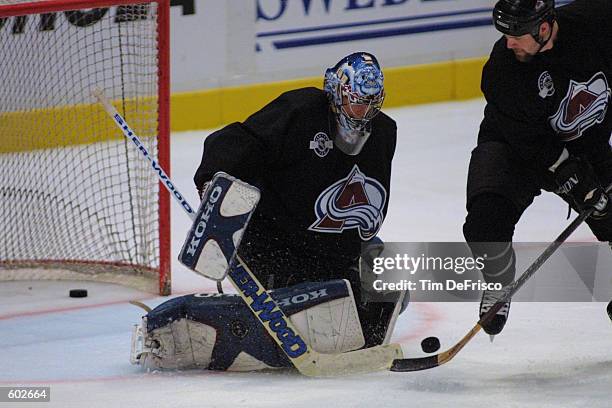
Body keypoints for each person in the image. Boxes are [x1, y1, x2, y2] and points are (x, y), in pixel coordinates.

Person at [130, 52, 407, 372]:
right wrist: (212, 184)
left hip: (331, 254)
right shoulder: (300, 111)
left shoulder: (384, 131)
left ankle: (313, 304)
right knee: (319, 305)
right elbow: (236, 141)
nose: (365, 113)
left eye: (373, 103)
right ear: (335, 92)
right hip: (274, 245)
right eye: (357, 102)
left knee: (393, 287)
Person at [464, 0, 612, 337]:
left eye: (516, 34)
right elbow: (532, 145)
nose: (508, 42)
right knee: (484, 225)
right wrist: (570, 175)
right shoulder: (502, 70)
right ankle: (498, 281)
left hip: (586, 143)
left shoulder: (596, 23)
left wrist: (589, 176)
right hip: (512, 147)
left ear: (544, 27)